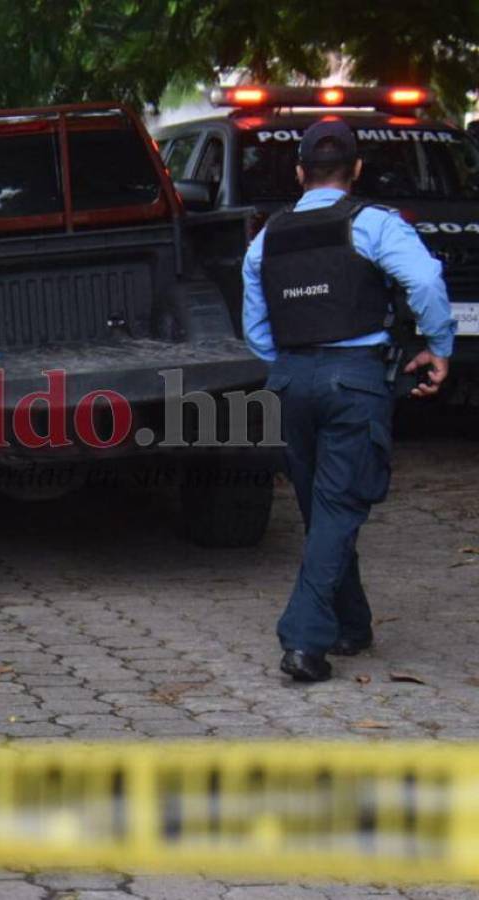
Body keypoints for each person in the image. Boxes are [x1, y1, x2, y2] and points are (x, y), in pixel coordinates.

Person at [242, 118, 456, 682]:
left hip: (288, 382)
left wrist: (294, 360)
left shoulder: (266, 237)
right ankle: (304, 640)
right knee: (337, 509)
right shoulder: (375, 225)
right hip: (354, 381)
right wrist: (438, 345)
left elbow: (256, 329)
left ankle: (352, 626)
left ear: (299, 173)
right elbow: (427, 284)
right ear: (356, 170)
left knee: (325, 511)